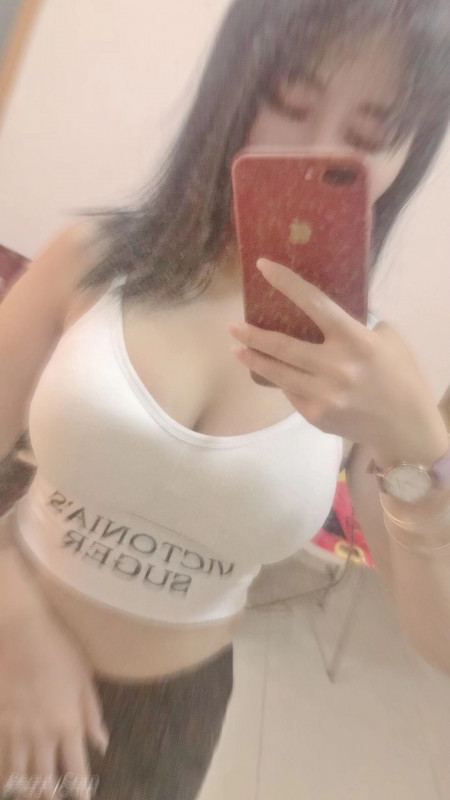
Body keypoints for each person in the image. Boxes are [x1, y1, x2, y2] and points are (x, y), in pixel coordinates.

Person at [1, 0, 450, 798]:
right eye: (294, 101)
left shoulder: (371, 372)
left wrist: (424, 454)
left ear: (407, 157)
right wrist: (16, 622)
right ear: (234, 89)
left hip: (164, 721)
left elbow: (439, 639)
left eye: (370, 131)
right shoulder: (90, 261)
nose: (316, 148)